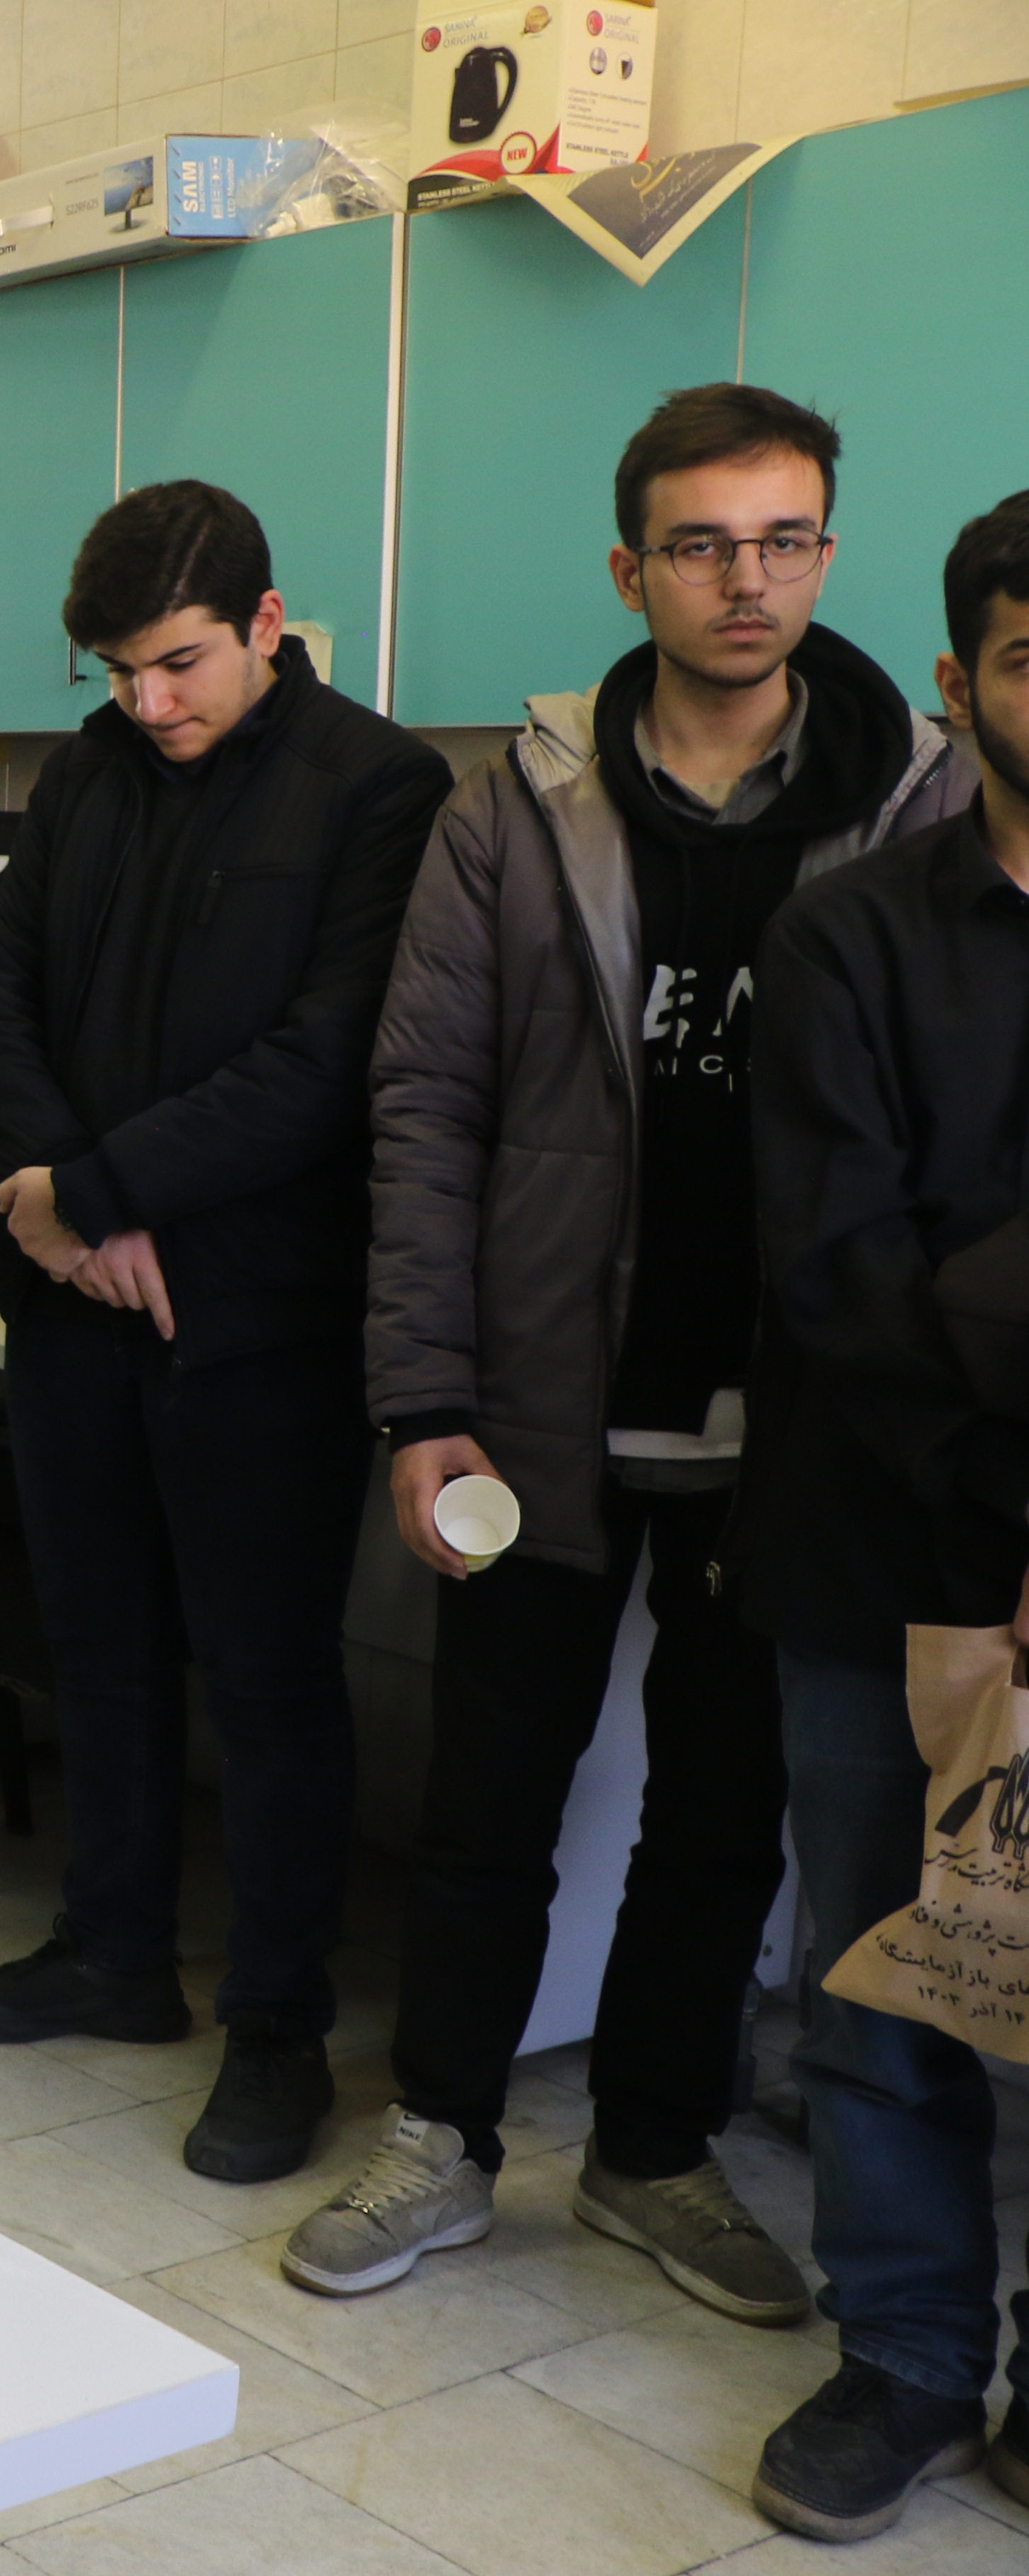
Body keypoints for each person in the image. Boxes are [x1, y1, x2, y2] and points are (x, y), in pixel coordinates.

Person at [297, 386, 963, 2317]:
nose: (744, 581)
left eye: (782, 540)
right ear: (628, 568)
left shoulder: (915, 803)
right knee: (489, 1796)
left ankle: (653, 2153)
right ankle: (441, 2134)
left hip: (798, 1426)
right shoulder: (516, 804)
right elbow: (423, 1107)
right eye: (699, 544)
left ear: (826, 553)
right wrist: (422, 1401)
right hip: (538, 1404)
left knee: (721, 1816)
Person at [0, 481, 452, 2187]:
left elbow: (325, 1060)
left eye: (178, 664)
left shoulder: (378, 785)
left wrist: (92, 1189)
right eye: (117, 672)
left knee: (269, 1677)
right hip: (73, 1299)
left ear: (267, 623)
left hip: (259, 1323)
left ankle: (277, 2028)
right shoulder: (82, 777)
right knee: (95, 1640)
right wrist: (55, 1203)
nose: (146, 703)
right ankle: (112, 1950)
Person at [731, 492, 1029, 2542]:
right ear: (957, 681)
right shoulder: (844, 937)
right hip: (878, 1548)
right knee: (872, 1976)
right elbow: (842, 1273)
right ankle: (905, 2356)